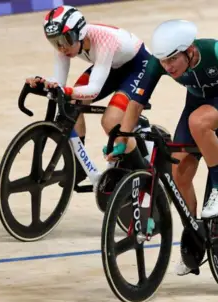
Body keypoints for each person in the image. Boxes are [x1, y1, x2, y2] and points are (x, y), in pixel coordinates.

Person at [107, 19, 218, 276]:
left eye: (172, 61)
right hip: (198, 104)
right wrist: (122, 141)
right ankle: (194, 242)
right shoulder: (161, 62)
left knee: (198, 122)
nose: (167, 67)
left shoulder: (217, 51)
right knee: (180, 174)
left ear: (189, 50)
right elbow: (136, 103)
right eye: (164, 62)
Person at [26, 5, 150, 184]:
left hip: (139, 66)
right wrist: (44, 82)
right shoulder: (66, 43)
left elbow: (94, 89)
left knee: (110, 121)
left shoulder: (104, 39)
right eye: (55, 42)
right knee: (71, 104)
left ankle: (142, 173)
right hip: (112, 65)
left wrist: (67, 91)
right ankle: (79, 165)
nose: (61, 48)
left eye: (65, 40)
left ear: (80, 33)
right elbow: (59, 84)